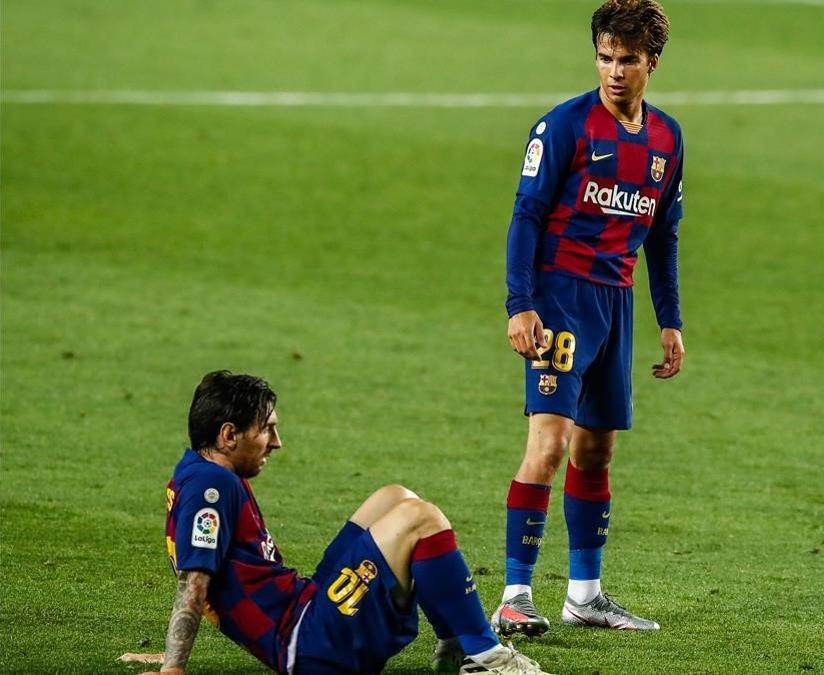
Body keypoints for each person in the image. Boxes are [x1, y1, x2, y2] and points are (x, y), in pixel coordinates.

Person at [145, 371, 551, 675]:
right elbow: (194, 580)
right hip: (309, 643)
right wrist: (172, 668)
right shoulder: (212, 487)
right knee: (420, 519)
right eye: (266, 428)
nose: (277, 441)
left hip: (304, 611)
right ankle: (487, 656)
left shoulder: (196, 472)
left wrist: (168, 654)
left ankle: (456, 643)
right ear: (229, 434)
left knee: (395, 496)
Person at [497, 0, 684, 637]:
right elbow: (525, 216)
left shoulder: (666, 139)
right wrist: (520, 304)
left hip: (617, 303)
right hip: (559, 300)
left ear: (651, 63)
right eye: (605, 57)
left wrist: (671, 320)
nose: (614, 71)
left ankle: (585, 594)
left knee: (597, 451)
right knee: (548, 445)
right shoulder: (563, 128)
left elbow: (663, 236)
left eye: (627, 59)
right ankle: (515, 594)